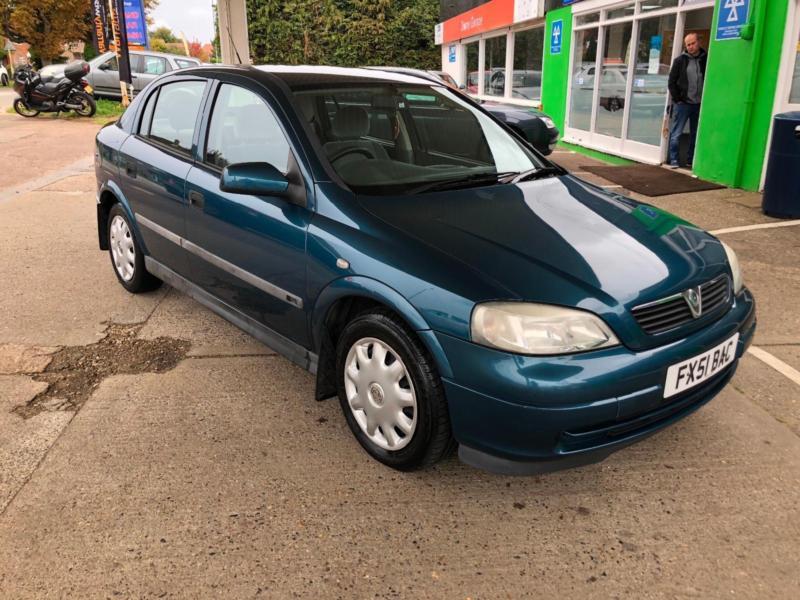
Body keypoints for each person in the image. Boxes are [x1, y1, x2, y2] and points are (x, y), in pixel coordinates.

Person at [667, 33, 707, 168]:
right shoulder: (680, 61)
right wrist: (678, 99)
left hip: (698, 104)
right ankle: (673, 160)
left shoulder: (705, 59)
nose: (690, 47)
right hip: (683, 103)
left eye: (693, 43)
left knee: (695, 133)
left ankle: (690, 160)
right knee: (676, 132)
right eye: (688, 45)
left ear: (698, 42)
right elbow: (671, 82)